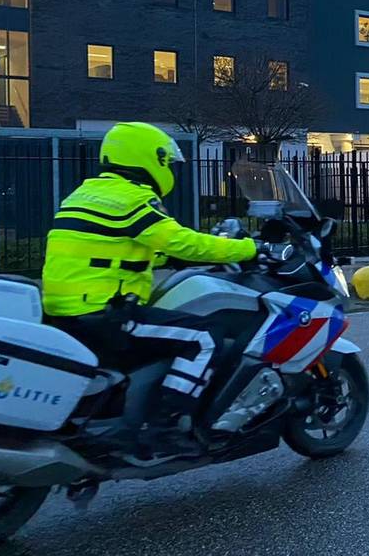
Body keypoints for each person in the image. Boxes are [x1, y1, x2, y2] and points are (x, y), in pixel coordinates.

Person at [41, 122, 258, 443]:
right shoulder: (131, 198)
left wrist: (162, 260)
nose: (169, 168)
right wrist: (250, 248)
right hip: (105, 314)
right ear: (149, 158)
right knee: (204, 338)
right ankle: (167, 424)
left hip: (66, 311)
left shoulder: (87, 193)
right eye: (166, 162)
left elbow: (108, 250)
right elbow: (183, 241)